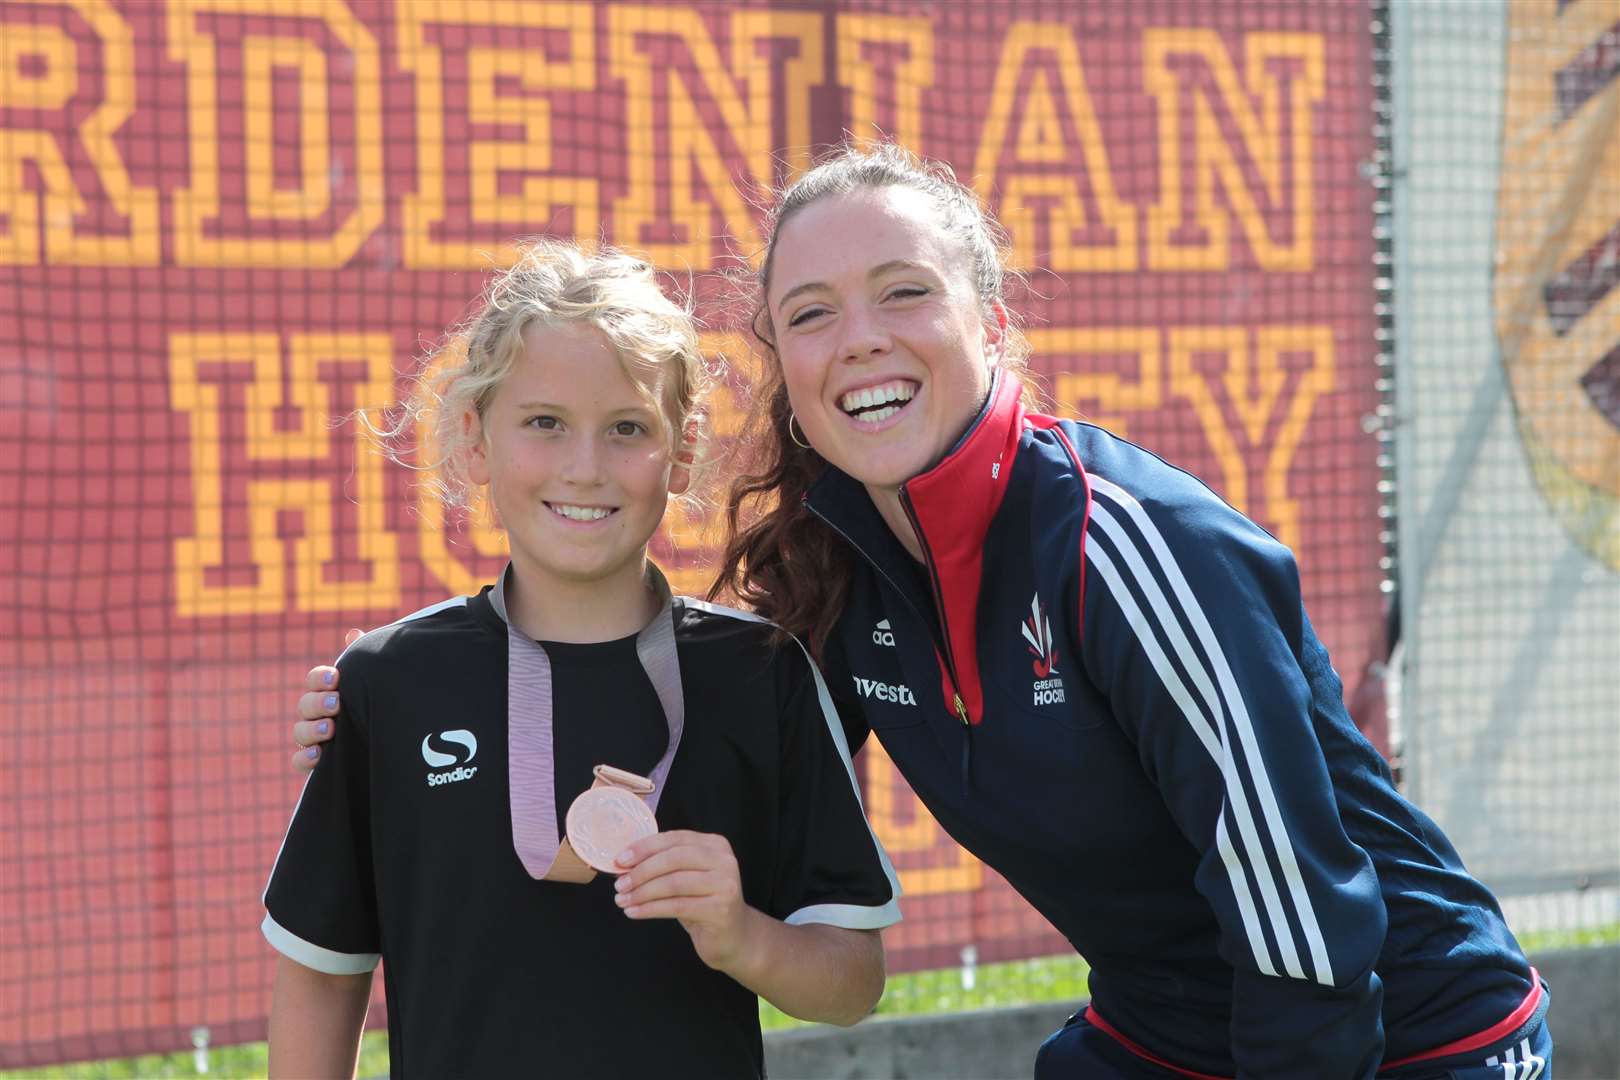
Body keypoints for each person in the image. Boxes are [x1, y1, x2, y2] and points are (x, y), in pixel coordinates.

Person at [291, 147, 1551, 1079]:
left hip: (1398, 1030)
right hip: (1168, 1031)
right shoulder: (836, 586)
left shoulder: (1126, 546)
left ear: (990, 320)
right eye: (811, 314)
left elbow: (1309, 929)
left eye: (904, 293)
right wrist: (390, 721)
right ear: (781, 364)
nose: (861, 342)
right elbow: (718, 765)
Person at [263, 239, 900, 1080]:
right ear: (474, 437)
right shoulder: (389, 681)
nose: (585, 468)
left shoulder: (762, 673)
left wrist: (744, 935)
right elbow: (321, 973)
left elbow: (851, 983)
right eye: (544, 423)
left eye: (628, 428)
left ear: (681, 450)